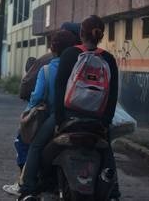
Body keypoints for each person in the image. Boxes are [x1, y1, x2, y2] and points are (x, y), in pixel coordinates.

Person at [54, 15, 121, 200]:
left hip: (69, 118)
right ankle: (113, 193)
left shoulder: (69, 54)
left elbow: (59, 88)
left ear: (81, 33)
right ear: (101, 35)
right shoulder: (108, 59)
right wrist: (105, 123)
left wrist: (59, 120)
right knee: (107, 154)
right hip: (97, 122)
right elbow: (112, 95)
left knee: (41, 145)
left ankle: (31, 187)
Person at [3, 30, 75, 200]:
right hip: (79, 115)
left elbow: (36, 97)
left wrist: (29, 112)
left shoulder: (47, 69)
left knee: (34, 145)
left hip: (55, 116)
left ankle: (27, 184)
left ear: (53, 48)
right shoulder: (77, 65)